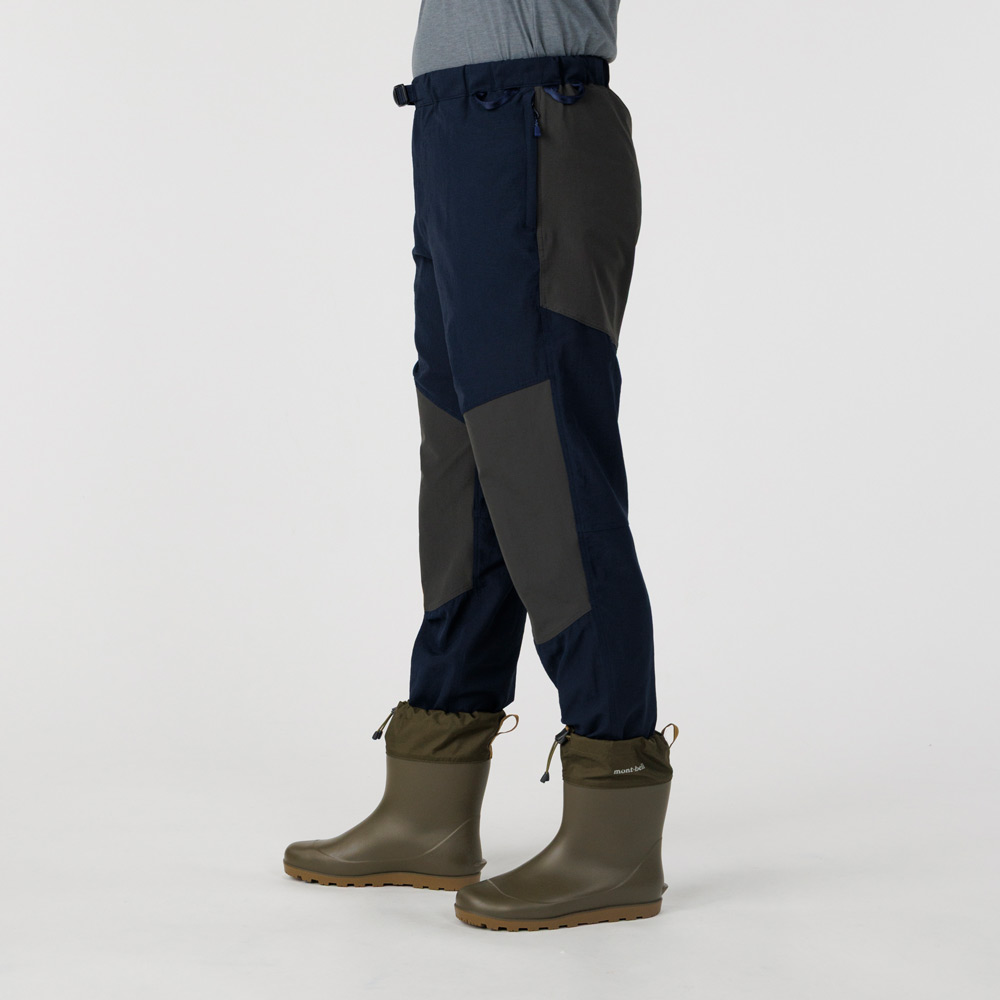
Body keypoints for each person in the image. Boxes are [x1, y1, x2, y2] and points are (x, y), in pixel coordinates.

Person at [283, 0, 678, 932]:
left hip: (535, 122)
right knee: (463, 478)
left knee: (548, 479)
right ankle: (431, 807)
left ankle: (614, 827)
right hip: (456, 128)